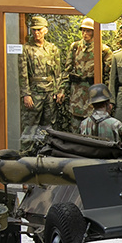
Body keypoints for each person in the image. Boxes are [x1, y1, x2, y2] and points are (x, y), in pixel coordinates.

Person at [18, 15, 63, 153]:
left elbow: (58, 73)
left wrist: (59, 90)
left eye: (39, 30)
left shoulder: (52, 49)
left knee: (48, 125)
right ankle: (26, 152)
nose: (36, 33)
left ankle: (46, 151)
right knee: (30, 125)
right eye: (34, 30)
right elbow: (23, 74)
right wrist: (26, 94)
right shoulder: (26, 49)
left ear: (45, 30)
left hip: (49, 93)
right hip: (34, 93)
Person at [64, 17, 112, 129]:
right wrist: (62, 90)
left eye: (88, 31)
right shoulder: (75, 47)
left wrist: (109, 100)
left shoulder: (103, 50)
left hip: (95, 97)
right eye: (83, 30)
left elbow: (109, 76)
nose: (85, 33)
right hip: (77, 95)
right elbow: (67, 70)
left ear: (94, 31)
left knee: (94, 129)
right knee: (75, 129)